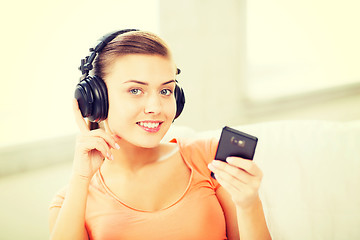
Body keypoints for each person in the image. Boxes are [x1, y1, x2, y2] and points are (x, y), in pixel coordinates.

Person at [49, 29, 271, 240]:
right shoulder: (70, 200)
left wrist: (249, 204)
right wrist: (80, 179)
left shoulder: (210, 158)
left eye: (166, 90)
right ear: (95, 100)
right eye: (135, 90)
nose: (155, 107)